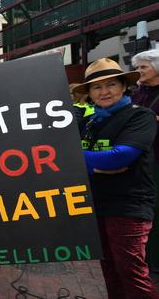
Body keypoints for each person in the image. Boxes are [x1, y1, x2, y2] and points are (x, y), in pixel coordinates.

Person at [73, 57, 158, 298]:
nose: (104, 92)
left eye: (111, 84)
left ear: (123, 86)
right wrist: (93, 164)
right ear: (89, 93)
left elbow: (120, 157)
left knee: (131, 273)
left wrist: (76, 157)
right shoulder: (89, 121)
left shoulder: (141, 116)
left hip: (128, 206)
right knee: (108, 270)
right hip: (96, 205)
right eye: (97, 87)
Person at [131, 49, 159, 271]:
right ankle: (148, 256)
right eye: (138, 67)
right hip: (142, 158)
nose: (139, 71)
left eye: (143, 67)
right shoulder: (138, 92)